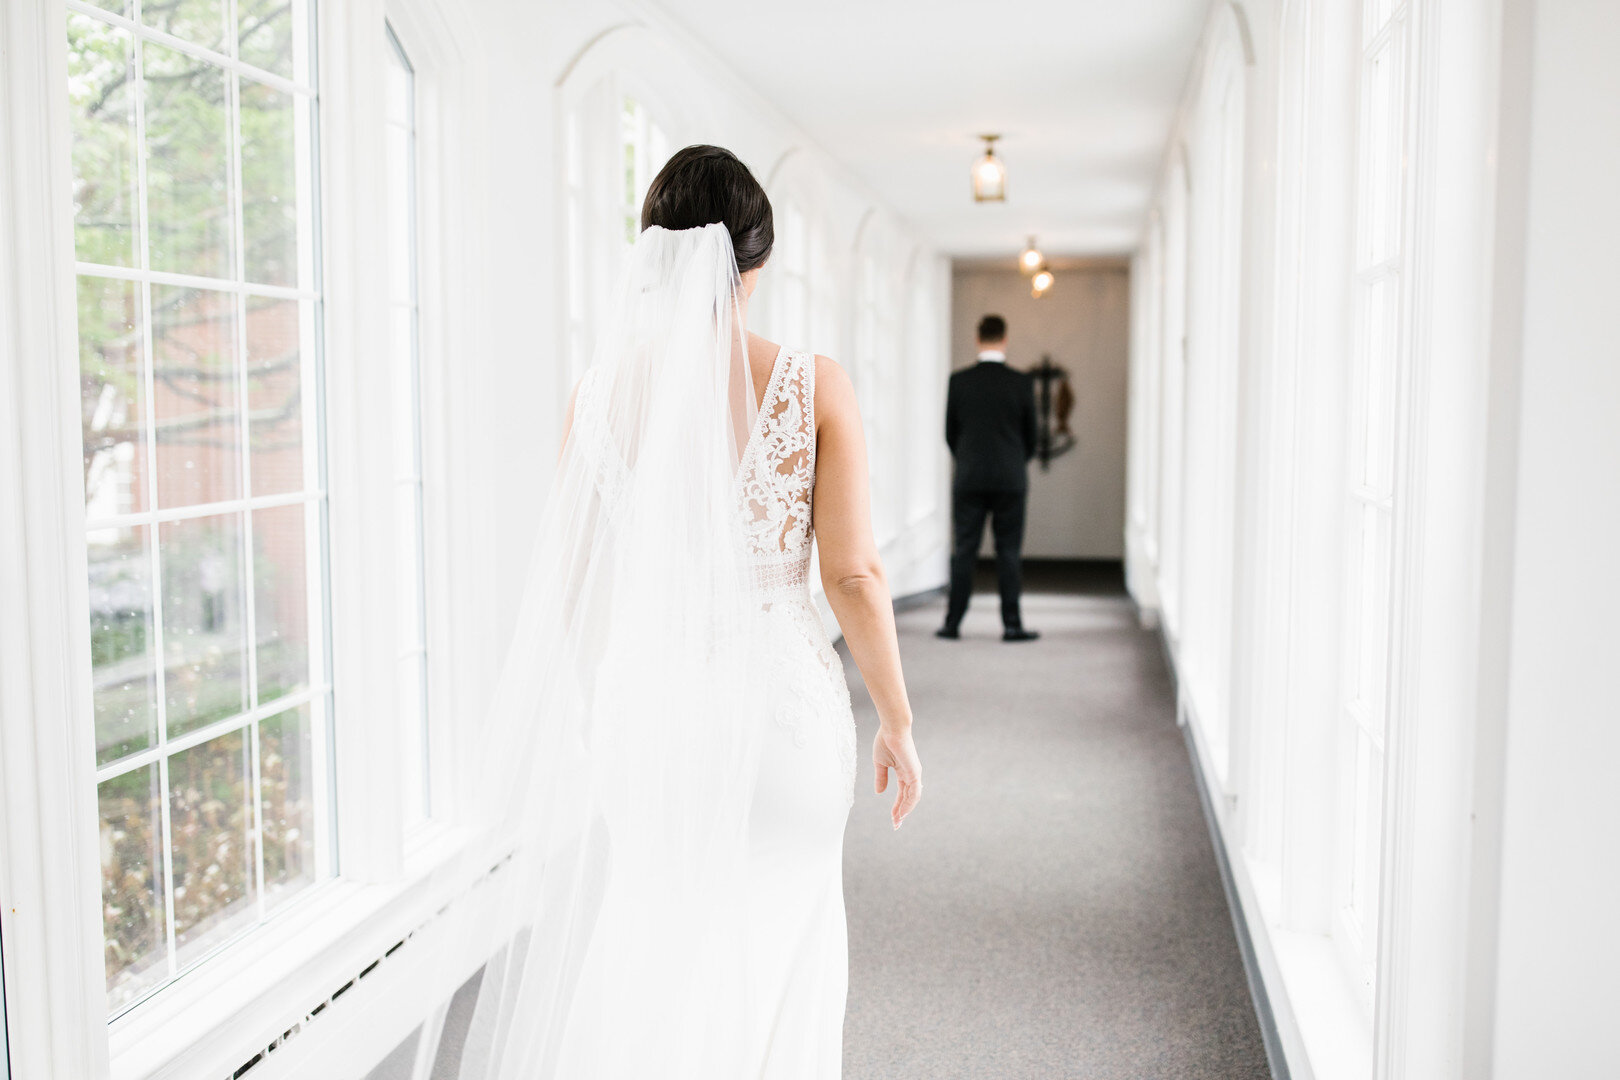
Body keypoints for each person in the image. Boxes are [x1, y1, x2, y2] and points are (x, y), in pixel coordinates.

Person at [445, 145, 922, 1080]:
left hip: (648, 709)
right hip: (780, 721)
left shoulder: (596, 396)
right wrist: (898, 719)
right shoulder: (812, 384)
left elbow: (575, 580)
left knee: (658, 946)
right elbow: (855, 576)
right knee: (784, 942)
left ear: (654, 254)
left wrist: (605, 701)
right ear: (760, 261)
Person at [938, 314, 1040, 642]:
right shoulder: (1022, 382)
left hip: (969, 477)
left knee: (965, 550)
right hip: (1010, 478)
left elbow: (950, 434)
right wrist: (1012, 461)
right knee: (1008, 552)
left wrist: (969, 460)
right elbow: (1032, 438)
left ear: (977, 338)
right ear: (1004, 338)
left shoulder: (959, 381)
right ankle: (1012, 625)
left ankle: (952, 623)